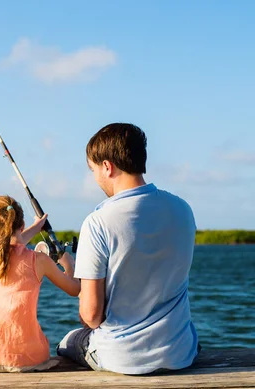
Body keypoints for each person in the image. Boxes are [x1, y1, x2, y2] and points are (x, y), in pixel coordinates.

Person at [57, 123, 199, 375]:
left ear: (107, 166)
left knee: (67, 342)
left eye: (93, 170)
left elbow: (92, 317)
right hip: (180, 353)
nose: (94, 177)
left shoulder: (98, 222)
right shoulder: (183, 209)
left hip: (122, 358)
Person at [0, 195, 80, 373]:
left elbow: (7, 246)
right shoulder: (40, 261)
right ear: (22, 225)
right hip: (27, 360)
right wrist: (69, 266)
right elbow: (74, 289)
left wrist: (36, 228)